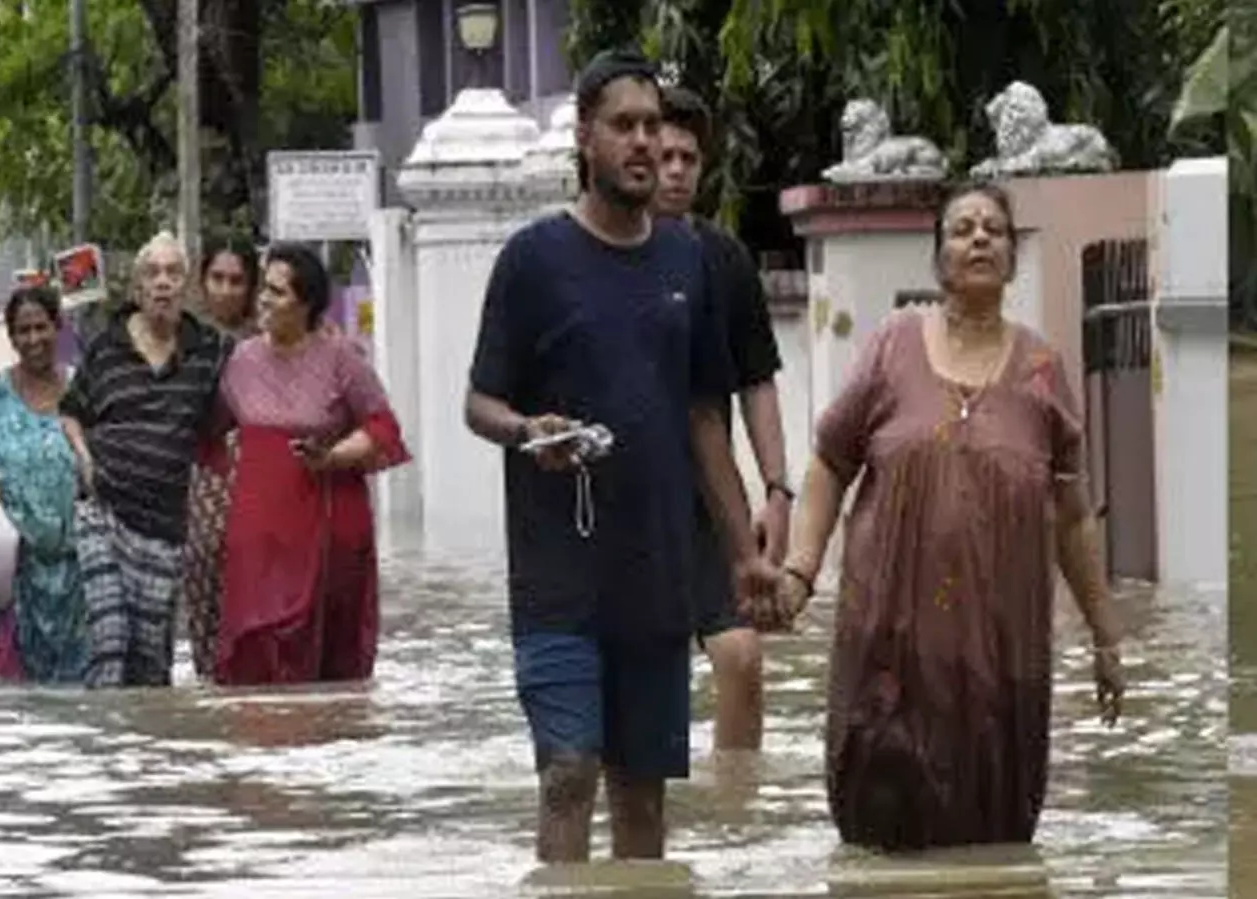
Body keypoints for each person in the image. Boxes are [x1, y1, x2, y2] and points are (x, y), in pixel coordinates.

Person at [464, 49, 770, 864]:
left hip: (659, 577)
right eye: (624, 127)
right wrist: (529, 431)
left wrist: (745, 555)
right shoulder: (532, 260)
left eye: (652, 126)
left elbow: (709, 417)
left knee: (643, 792)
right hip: (557, 582)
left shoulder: (688, 262)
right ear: (586, 138)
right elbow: (478, 403)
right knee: (568, 772)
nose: (642, 144)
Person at [769, 182, 1128, 851]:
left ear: (1013, 260)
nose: (980, 238)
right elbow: (828, 461)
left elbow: (1073, 518)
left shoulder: (1043, 372)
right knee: (880, 830)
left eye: (994, 228)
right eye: (963, 228)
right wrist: (800, 567)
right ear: (938, 259)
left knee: (993, 835)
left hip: (1002, 656)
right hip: (889, 648)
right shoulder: (891, 348)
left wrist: (1107, 639)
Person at [653, 84, 790, 754]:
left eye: (689, 158)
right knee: (640, 680)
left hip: (712, 504)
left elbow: (754, 381)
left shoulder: (724, 259)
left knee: (740, 656)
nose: (676, 169)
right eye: (666, 154)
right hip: (622, 506)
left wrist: (777, 489)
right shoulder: (588, 258)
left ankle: (738, 810)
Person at [216, 242, 410, 685]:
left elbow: (384, 428)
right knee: (253, 660)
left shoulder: (341, 360)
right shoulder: (240, 361)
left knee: (325, 664)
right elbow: (214, 434)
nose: (263, 299)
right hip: (257, 542)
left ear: (306, 305)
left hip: (327, 535)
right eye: (263, 288)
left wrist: (333, 456)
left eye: (277, 292)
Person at [60, 231, 232, 689]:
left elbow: (242, 402)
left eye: (173, 273)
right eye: (152, 274)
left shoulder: (210, 352)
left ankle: (145, 750)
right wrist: (84, 460)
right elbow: (71, 414)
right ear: (137, 287)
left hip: (164, 528)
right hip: (103, 513)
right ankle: (104, 750)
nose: (163, 283)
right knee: (110, 637)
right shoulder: (106, 347)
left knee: (151, 663)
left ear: (188, 287)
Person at [0, 285, 85, 684]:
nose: (33, 339)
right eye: (22, 331)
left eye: (41, 328)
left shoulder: (80, 389)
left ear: (58, 329)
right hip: (15, 566)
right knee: (13, 687)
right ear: (11, 338)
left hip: (77, 568)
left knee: (79, 688)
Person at [180, 236, 261, 681]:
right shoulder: (184, 342)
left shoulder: (270, 341)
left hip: (258, 480)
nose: (227, 290)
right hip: (203, 483)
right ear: (203, 281)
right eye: (218, 279)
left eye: (236, 281)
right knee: (206, 578)